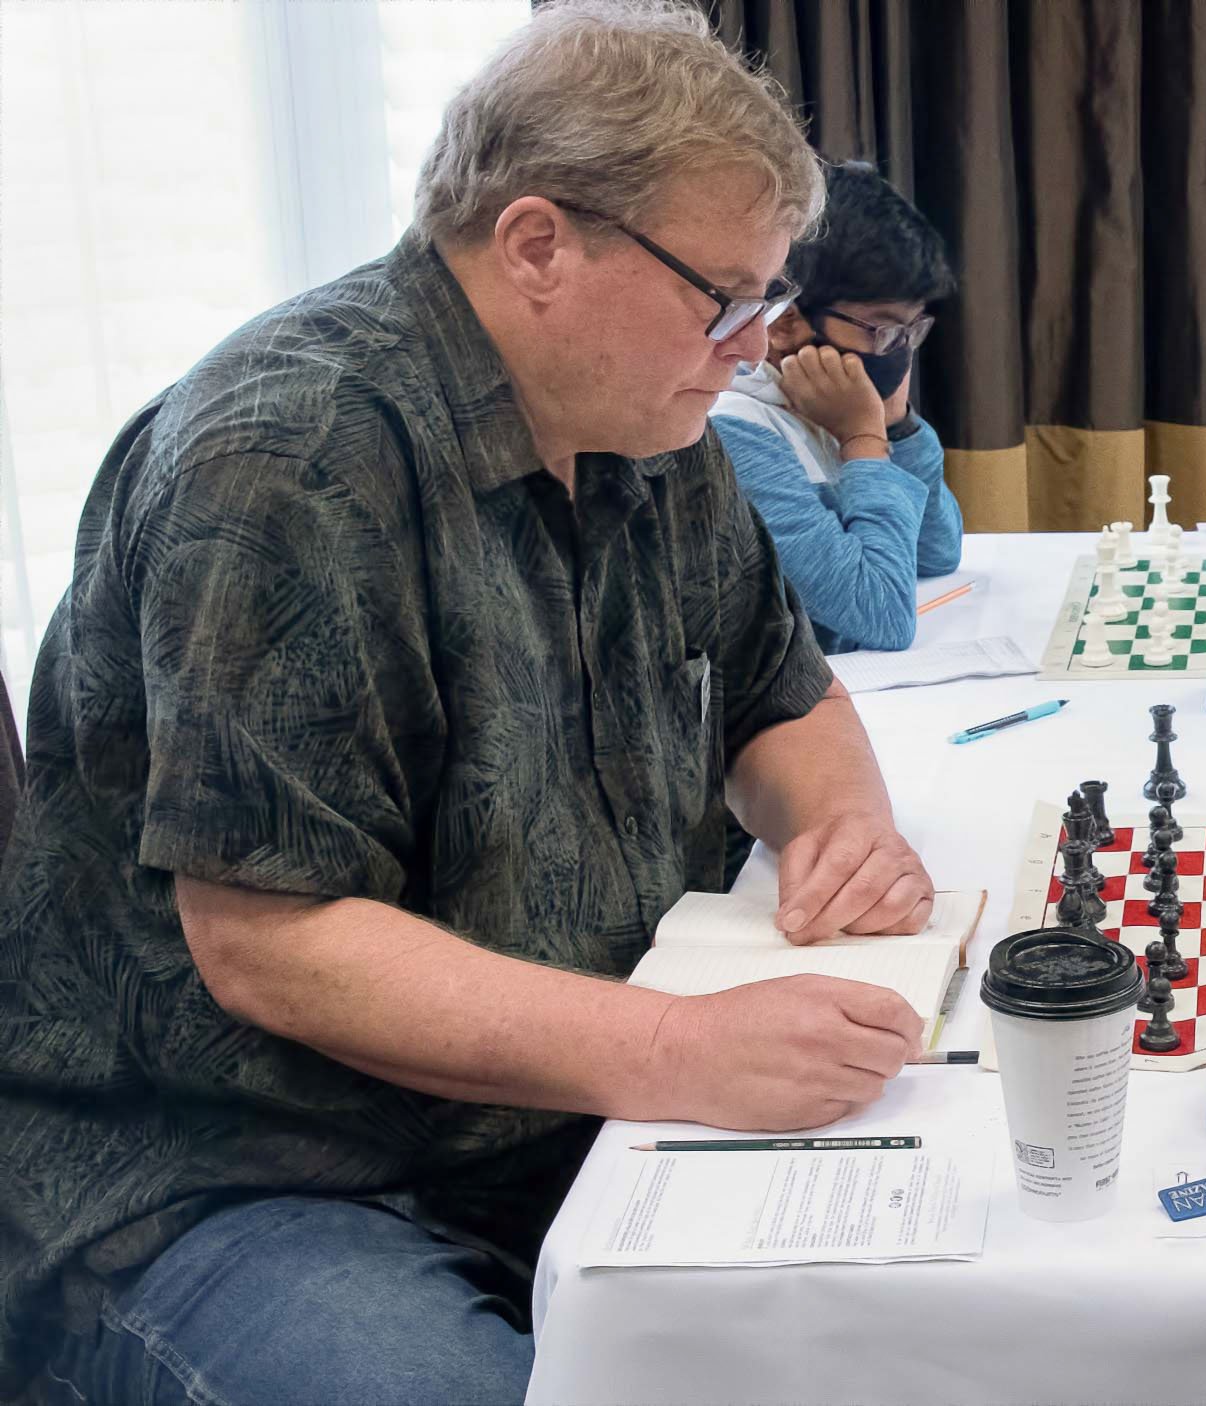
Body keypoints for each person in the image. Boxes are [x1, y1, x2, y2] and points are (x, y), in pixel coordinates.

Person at [0, 4, 940, 1400]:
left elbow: (775, 693)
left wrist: (841, 824)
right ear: (539, 243)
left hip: (544, 1112)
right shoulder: (290, 457)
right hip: (238, 1172)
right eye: (722, 298)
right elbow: (270, 940)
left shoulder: (653, 420)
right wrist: (680, 1047)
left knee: (911, 1315)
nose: (754, 347)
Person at [712, 160, 963, 653]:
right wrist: (864, 444)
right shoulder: (735, 430)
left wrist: (897, 426)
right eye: (882, 329)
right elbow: (881, 615)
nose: (898, 350)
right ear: (782, 324)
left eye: (911, 331)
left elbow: (936, 553)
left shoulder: (827, 407)